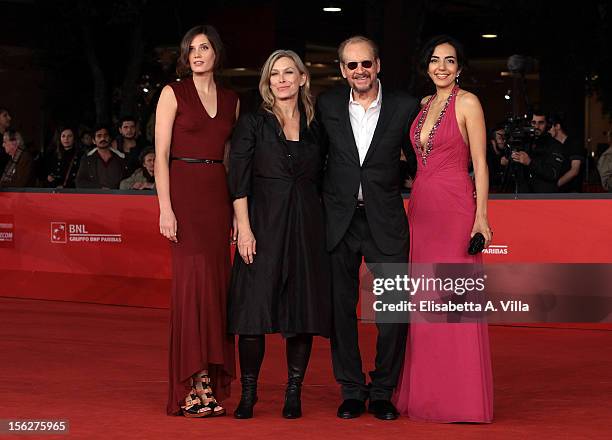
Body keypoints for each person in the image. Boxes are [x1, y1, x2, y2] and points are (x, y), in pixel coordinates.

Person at [316, 35, 418, 421]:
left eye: (366, 63)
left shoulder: (405, 106)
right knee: (341, 310)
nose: (360, 71)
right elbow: (316, 158)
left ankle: (382, 391)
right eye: (351, 65)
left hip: (386, 220)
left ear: (378, 65)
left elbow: (423, 152)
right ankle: (352, 390)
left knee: (393, 310)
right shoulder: (327, 105)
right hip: (339, 220)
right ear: (343, 70)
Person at [393, 35, 493, 423]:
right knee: (425, 302)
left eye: (450, 61)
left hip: (454, 206)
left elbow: (481, 164)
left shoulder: (468, 103)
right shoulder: (422, 106)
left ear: (460, 67)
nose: (442, 67)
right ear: (426, 66)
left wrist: (481, 216)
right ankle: (428, 396)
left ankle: (461, 399)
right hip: (421, 206)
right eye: (435, 60)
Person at [228, 50, 331, 420]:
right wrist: (244, 228)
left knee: (301, 312)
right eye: (275, 74)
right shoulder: (253, 123)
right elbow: (237, 178)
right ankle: (249, 393)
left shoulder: (317, 124)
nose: (282, 79)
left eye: (290, 72)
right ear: (267, 81)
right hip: (263, 224)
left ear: (303, 78)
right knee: (253, 311)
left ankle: (293, 391)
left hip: (306, 226)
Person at [154, 24, 238, 418]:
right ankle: (193, 383)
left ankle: (210, 382)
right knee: (191, 293)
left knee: (215, 294)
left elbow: (232, 159)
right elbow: (161, 154)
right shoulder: (173, 93)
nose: (198, 54)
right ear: (185, 57)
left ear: (216, 53)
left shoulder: (232, 99)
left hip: (217, 200)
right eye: (191, 49)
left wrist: (239, 214)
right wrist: (165, 208)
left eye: (205, 47)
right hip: (184, 198)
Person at [510, 110, 565, 193]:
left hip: (544, 198)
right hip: (523, 197)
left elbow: (553, 174)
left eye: (541, 123)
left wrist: (530, 162)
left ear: (548, 125)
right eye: (533, 123)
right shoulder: (524, 144)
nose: (536, 126)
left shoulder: (555, 145)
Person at [75, 124, 127, 189]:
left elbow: (126, 181)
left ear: (110, 138)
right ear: (93, 141)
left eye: (105, 135)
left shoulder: (120, 157)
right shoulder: (87, 159)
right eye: (99, 136)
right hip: (95, 197)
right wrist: (99, 188)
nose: (103, 138)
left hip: (117, 196)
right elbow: (79, 182)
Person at [548, 113, 586, 192]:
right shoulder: (552, 146)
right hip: (557, 193)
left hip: (572, 193)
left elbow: (574, 170)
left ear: (557, 126)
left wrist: (554, 186)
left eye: (549, 127)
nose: (547, 130)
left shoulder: (574, 143)